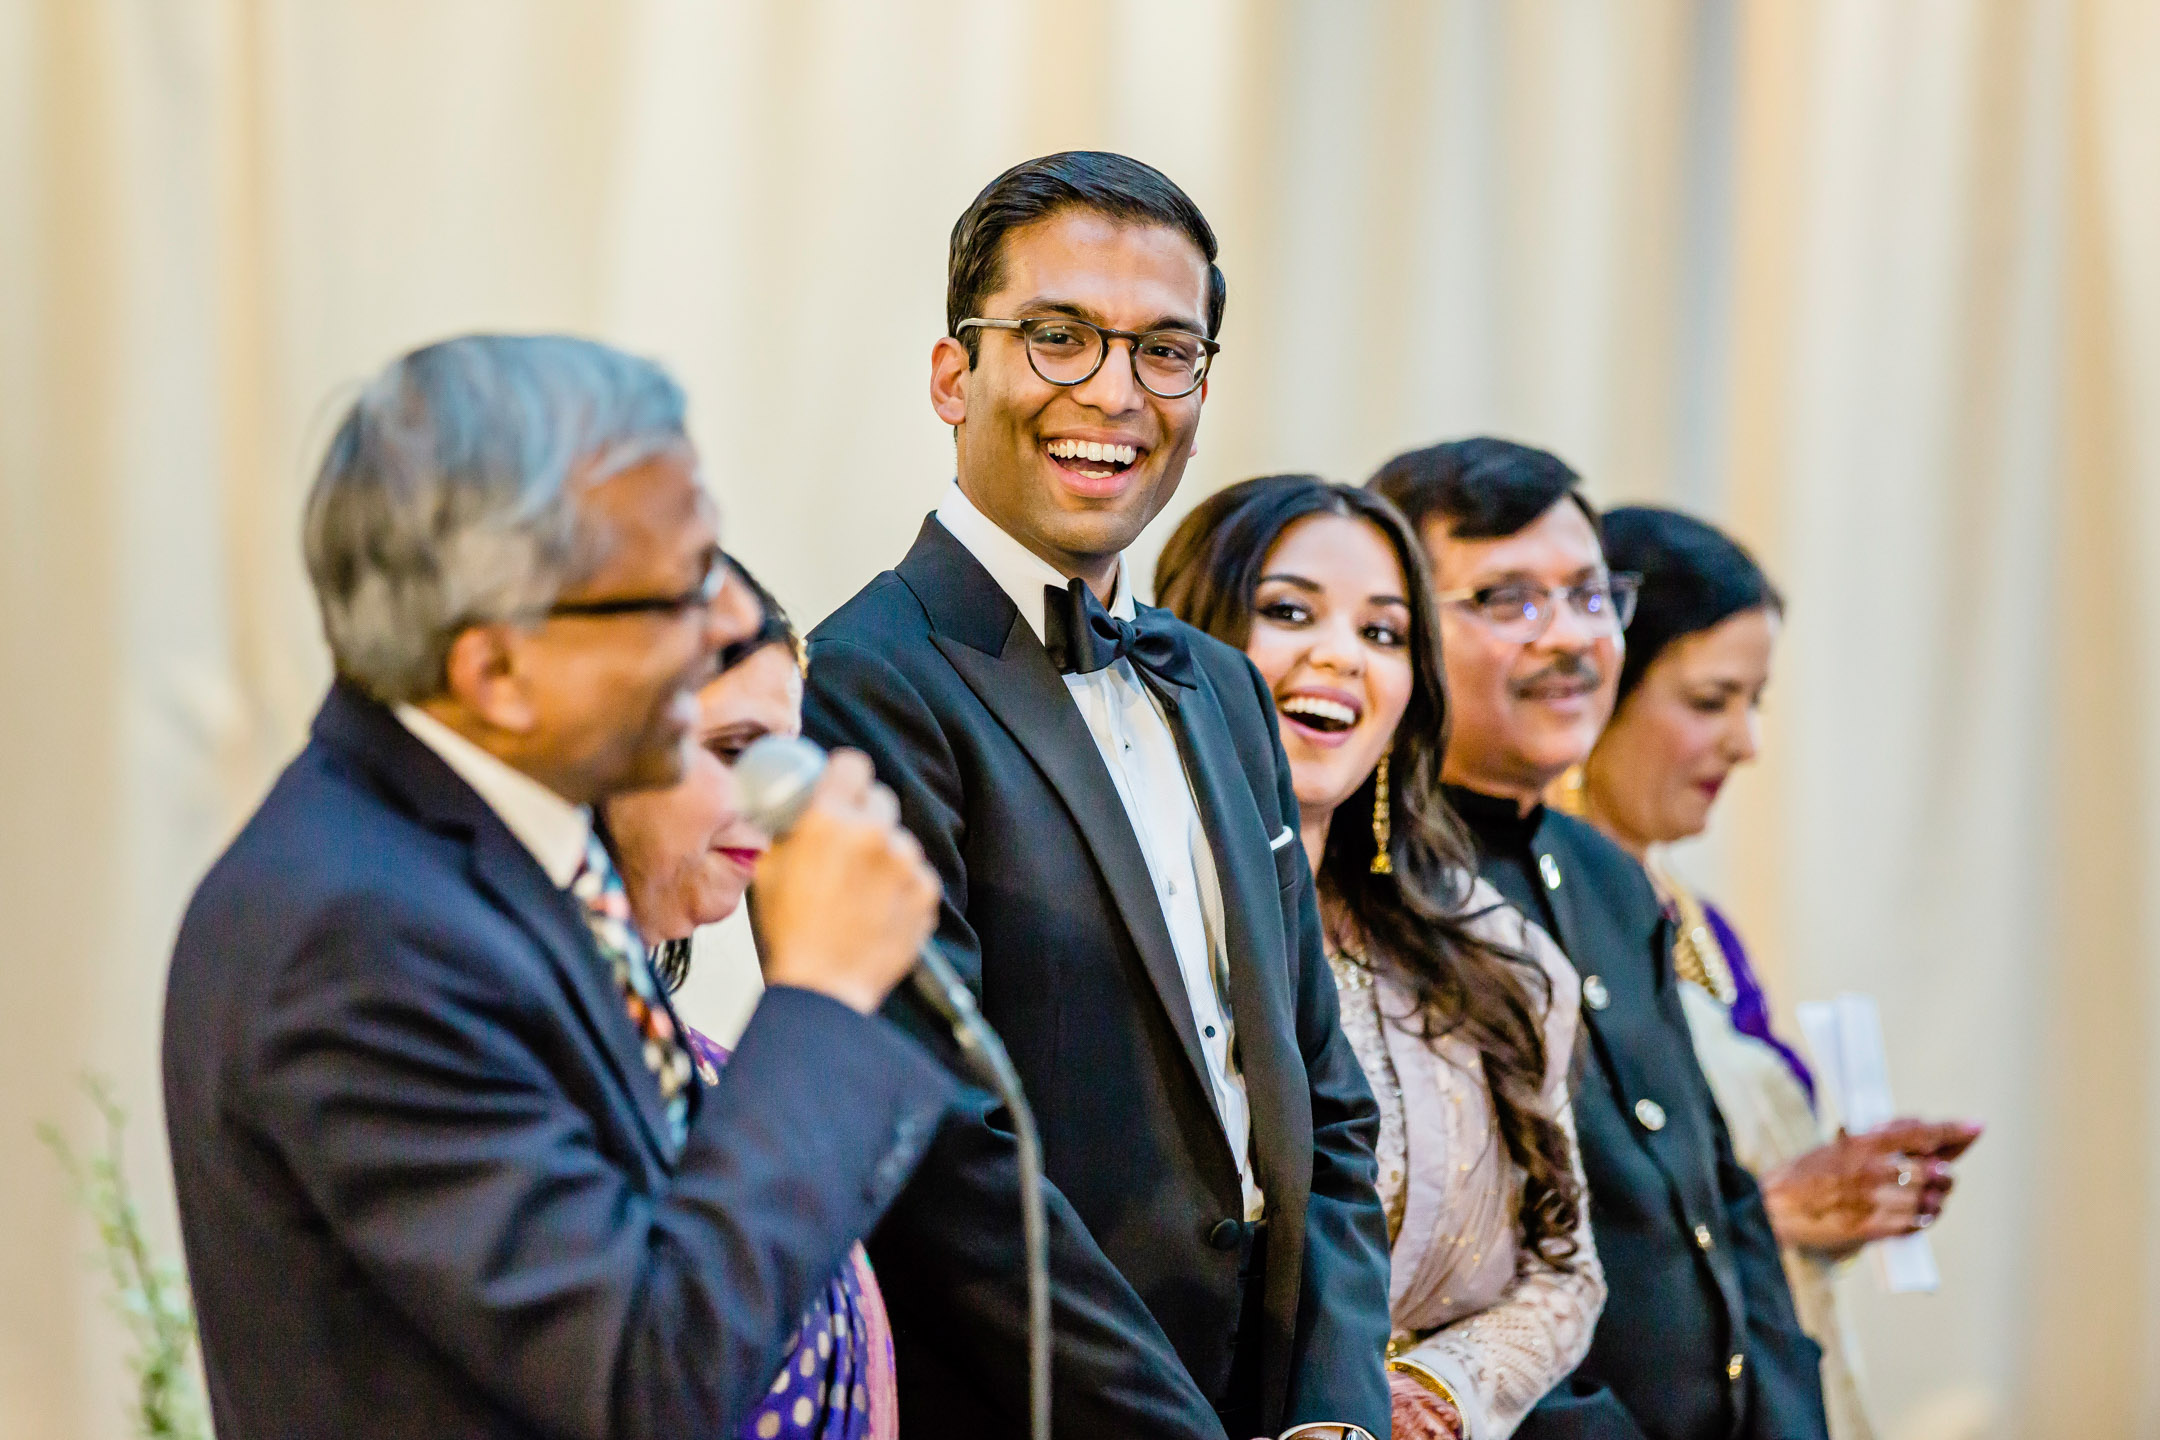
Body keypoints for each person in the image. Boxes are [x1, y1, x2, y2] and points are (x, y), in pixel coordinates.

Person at [162, 335, 955, 1440]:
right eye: (677, 593)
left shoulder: (505, 846)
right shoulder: (353, 936)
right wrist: (816, 996)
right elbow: (645, 1386)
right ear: (496, 670)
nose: (732, 623)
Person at [802, 153, 1392, 1439]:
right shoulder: (867, 677)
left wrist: (1338, 1412)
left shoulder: (1225, 687)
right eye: (1059, 338)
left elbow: (1322, 1092)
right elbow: (940, 1145)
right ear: (955, 374)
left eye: (1166, 351)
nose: (1115, 395)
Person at [1370, 437, 1829, 1440]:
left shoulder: (1612, 878)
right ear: (1395, 625)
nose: (1570, 639)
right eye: (1507, 600)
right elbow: (1430, 1287)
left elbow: (1722, 1204)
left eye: (1588, 596)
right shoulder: (1375, 891)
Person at [1155, 474, 1606, 1440]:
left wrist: (1439, 1393)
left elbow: (1565, 1265)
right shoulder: (1127, 931)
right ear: (1187, 640)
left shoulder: (1496, 954)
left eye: (1384, 633)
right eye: (1288, 612)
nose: (1339, 658)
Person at [1566, 506, 1982, 1440]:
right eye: (1711, 701)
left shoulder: (1700, 926)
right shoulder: (1517, 917)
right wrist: (1771, 1214)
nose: (1748, 742)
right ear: (1596, 686)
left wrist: (1845, 1188)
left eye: (1755, 703)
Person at [605, 554, 903, 1440]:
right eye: (737, 750)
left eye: (790, 757)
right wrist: (818, 995)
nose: (781, 800)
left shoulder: (717, 1074)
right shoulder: (535, 1054)